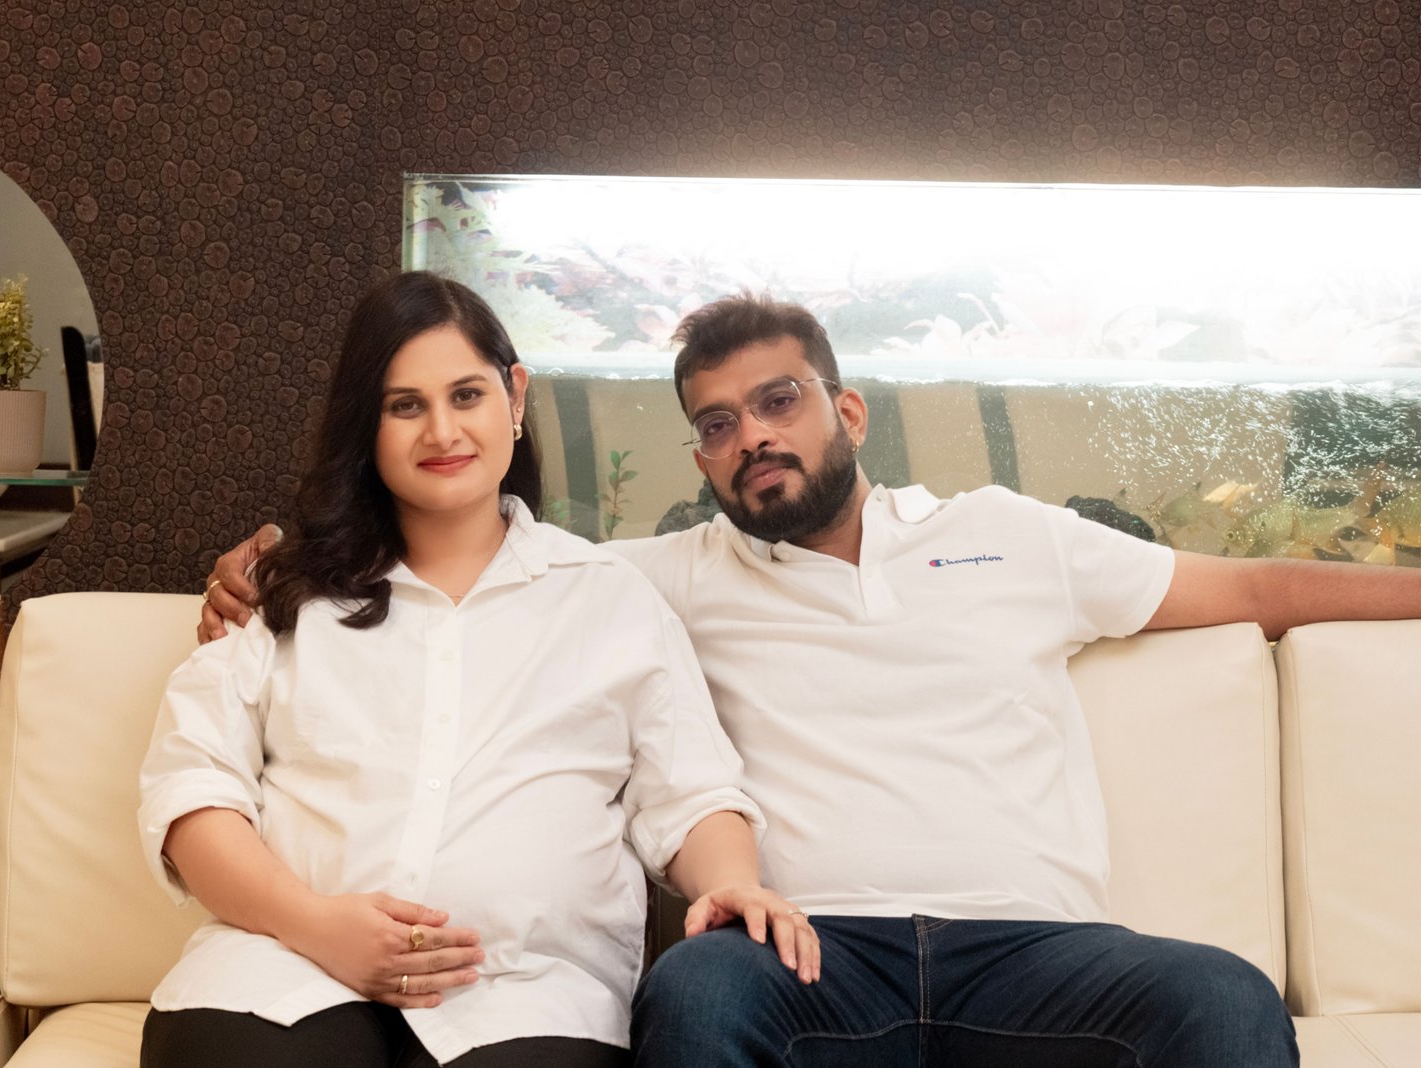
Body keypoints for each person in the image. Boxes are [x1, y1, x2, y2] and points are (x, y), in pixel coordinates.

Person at [205, 292, 1421, 1066]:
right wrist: (266, 562)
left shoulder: (1013, 536)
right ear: (701, 460)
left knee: (1225, 1000)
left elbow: (1256, 587)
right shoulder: (655, 579)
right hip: (808, 959)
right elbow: (461, 550)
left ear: (846, 409)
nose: (751, 436)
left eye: (777, 402)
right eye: (716, 424)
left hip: (1037, 952)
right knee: (694, 995)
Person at [141, 273, 818, 1068]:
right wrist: (315, 925)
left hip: (526, 993)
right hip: (281, 969)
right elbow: (195, 791)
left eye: (466, 395)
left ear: (514, 396)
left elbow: (691, 793)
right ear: (366, 425)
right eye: (405, 406)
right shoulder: (283, 595)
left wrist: (732, 881)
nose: (442, 431)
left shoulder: (609, 598)